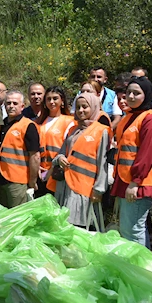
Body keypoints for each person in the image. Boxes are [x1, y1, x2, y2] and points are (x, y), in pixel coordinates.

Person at [112, 77, 152, 248]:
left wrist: (135, 181)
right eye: (129, 92)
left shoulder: (151, 119)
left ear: (147, 95)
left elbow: (147, 153)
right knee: (128, 230)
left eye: (137, 93)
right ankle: (136, 269)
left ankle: (142, 271)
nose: (131, 96)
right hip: (126, 180)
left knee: (133, 230)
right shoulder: (130, 116)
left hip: (140, 183)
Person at [51, 93, 110, 228]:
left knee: (80, 226)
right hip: (66, 185)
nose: (81, 110)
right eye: (78, 107)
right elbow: (61, 153)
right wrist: (60, 158)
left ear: (94, 107)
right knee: (65, 225)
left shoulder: (101, 131)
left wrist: (99, 189)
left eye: (85, 107)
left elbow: (102, 163)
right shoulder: (73, 129)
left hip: (84, 187)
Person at [0, 91, 40, 208]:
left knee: (17, 217)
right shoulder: (2, 124)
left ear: (22, 106)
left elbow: (35, 156)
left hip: (18, 181)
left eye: (15, 103)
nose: (11, 106)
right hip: (0, 179)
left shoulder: (28, 125)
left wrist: (32, 181)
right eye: (8, 103)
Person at [37, 86, 74, 190]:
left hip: (57, 171)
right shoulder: (39, 122)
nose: (52, 102)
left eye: (55, 98)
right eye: (48, 99)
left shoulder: (69, 122)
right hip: (39, 171)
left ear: (62, 101)